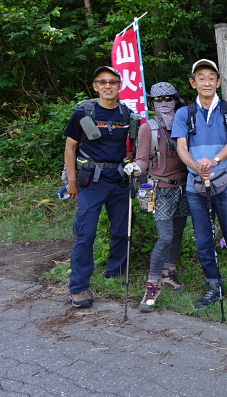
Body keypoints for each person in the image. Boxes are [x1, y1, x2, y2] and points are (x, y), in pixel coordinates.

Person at [172, 59, 227, 311]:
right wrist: (196, 167)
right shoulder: (184, 113)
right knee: (204, 240)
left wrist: (214, 160)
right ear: (193, 83)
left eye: (211, 77)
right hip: (196, 184)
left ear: (219, 82)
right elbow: (181, 147)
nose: (206, 82)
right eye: (201, 77)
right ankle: (213, 285)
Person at [64, 66, 133, 308]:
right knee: (86, 232)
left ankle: (115, 272)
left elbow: (131, 147)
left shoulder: (126, 114)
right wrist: (72, 181)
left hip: (119, 179)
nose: (107, 86)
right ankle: (79, 286)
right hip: (91, 181)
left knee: (122, 230)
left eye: (112, 82)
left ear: (119, 85)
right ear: (95, 86)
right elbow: (70, 146)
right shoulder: (84, 112)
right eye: (102, 82)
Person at [126, 82, 190, 313]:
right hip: (160, 190)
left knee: (178, 233)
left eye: (169, 98)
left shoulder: (184, 124)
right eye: (159, 99)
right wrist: (135, 167)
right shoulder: (148, 129)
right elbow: (143, 159)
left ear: (176, 99)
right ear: (152, 103)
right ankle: (152, 286)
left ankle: (168, 272)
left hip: (183, 187)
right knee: (165, 237)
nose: (165, 103)